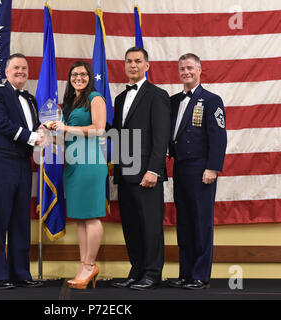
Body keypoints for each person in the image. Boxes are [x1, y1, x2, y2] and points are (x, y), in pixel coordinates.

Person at [110, 47, 171, 290]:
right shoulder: (119, 98)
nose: (133, 65)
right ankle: (136, 271)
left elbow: (161, 136)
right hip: (125, 173)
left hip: (147, 173)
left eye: (138, 61)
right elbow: (117, 136)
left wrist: (154, 170)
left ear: (147, 65)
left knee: (151, 225)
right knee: (132, 226)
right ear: (124, 65)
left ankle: (153, 273)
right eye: (129, 61)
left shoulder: (158, 95)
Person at [0, 53, 45, 289]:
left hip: (22, 162)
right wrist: (33, 137)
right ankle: (0, 274)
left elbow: (36, 126)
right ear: (7, 71)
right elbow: (1, 124)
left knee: (21, 219)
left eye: (24, 68)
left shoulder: (30, 98)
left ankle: (21, 273)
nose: (21, 71)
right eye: (16, 68)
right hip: (1, 161)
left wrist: (45, 131)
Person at [168, 53, 227, 290]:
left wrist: (212, 167)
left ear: (200, 70)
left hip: (202, 169)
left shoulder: (212, 100)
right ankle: (186, 273)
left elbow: (218, 137)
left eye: (190, 68)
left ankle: (200, 275)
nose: (186, 72)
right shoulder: (173, 101)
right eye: (182, 68)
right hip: (180, 168)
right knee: (184, 222)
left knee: (201, 222)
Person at [51, 60, 108, 290]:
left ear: (90, 77)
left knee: (92, 215)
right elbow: (67, 136)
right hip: (73, 164)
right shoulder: (71, 102)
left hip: (90, 162)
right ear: (70, 77)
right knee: (81, 217)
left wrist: (64, 128)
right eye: (74, 74)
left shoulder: (95, 98)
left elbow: (98, 128)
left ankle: (91, 264)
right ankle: (84, 265)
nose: (79, 78)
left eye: (83, 74)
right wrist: (51, 133)